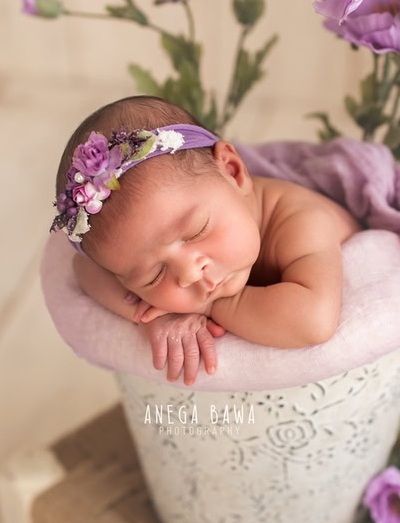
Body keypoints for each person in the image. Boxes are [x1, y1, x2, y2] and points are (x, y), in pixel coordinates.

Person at [52, 96, 360, 386]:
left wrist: (210, 306)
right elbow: (86, 269)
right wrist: (149, 317)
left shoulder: (301, 220)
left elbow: (314, 321)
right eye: (154, 275)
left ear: (233, 171)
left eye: (196, 232)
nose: (189, 274)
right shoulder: (148, 244)